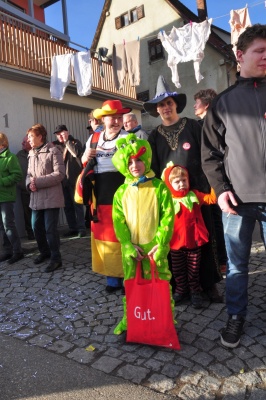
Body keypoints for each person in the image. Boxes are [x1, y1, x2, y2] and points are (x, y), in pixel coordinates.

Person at [201, 24, 266, 348]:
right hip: (237, 200)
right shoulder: (223, 103)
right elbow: (210, 154)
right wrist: (222, 188)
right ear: (240, 55)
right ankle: (236, 316)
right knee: (238, 266)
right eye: (260, 50)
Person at [144, 75, 222, 302]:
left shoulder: (193, 126)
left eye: (168, 102)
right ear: (157, 110)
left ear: (175, 104)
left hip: (197, 193)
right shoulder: (154, 136)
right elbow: (153, 168)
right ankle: (179, 286)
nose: (165, 107)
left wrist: (209, 186)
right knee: (174, 244)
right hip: (170, 200)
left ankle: (208, 284)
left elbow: (207, 154)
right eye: (161, 104)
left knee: (205, 239)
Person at [111, 134, 175, 334]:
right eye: (130, 162)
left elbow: (168, 217)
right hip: (132, 250)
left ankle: (165, 320)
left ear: (146, 159)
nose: (135, 165)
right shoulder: (121, 192)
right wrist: (127, 244)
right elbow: (118, 221)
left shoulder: (160, 188)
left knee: (162, 284)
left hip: (154, 248)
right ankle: (131, 320)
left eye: (138, 160)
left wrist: (162, 244)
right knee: (131, 285)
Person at [85, 99, 131, 293]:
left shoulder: (128, 137)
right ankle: (112, 278)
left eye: (119, 118)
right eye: (113, 118)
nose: (116, 121)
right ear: (103, 119)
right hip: (100, 193)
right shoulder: (94, 138)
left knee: (125, 235)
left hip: (123, 190)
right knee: (106, 236)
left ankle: (128, 277)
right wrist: (87, 155)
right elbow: (83, 160)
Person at [162, 164, 217, 309]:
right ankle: (181, 290)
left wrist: (215, 184)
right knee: (178, 269)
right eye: (177, 181)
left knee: (194, 269)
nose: (181, 184)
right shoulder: (167, 199)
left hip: (194, 241)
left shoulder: (194, 195)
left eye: (184, 180)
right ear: (170, 184)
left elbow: (211, 199)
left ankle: (195, 291)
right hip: (175, 244)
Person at [193, 89, 227, 274]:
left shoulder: (212, 123)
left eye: (197, 102)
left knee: (216, 220)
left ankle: (221, 259)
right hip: (208, 179)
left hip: (214, 180)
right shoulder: (199, 124)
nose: (194, 106)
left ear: (206, 104)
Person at [26, 124, 65, 273]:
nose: (29, 140)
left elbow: (60, 174)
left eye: (31, 137)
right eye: (28, 137)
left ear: (40, 137)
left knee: (50, 229)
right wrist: (29, 184)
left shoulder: (53, 151)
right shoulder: (31, 154)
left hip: (51, 198)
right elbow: (28, 175)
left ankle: (56, 258)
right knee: (36, 227)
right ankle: (44, 252)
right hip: (36, 198)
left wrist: (37, 182)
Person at [53, 124, 86, 238]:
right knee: (67, 206)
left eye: (61, 133)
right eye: (58, 135)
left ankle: (82, 228)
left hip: (74, 179)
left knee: (77, 205)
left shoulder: (75, 142)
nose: (59, 136)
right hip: (63, 181)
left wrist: (67, 140)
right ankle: (72, 228)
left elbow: (76, 153)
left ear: (67, 132)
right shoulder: (55, 146)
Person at [0, 133, 24, 264]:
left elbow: (17, 175)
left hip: (6, 197)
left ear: (3, 144)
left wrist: (2, 181)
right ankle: (7, 251)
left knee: (8, 225)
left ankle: (17, 251)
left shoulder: (10, 158)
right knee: (2, 226)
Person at [82, 111, 104, 229]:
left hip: (97, 183)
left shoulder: (94, 137)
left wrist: (86, 157)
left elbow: (84, 161)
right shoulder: (122, 134)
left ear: (93, 121)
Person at [16, 136, 35, 240]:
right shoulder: (19, 155)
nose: (22, 143)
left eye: (25, 142)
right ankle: (30, 232)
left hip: (37, 189)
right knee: (27, 213)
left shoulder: (36, 153)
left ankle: (40, 231)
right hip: (24, 190)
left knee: (38, 212)